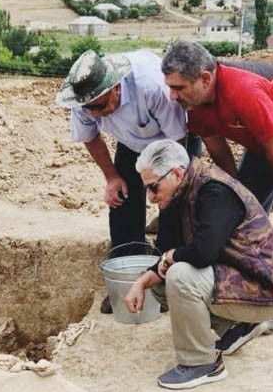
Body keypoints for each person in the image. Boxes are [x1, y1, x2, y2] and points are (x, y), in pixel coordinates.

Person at [159, 40, 273, 339]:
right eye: (170, 87)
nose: (172, 96)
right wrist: (234, 191)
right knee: (240, 212)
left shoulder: (243, 89)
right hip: (263, 141)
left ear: (205, 78)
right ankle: (248, 286)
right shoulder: (196, 104)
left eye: (178, 88)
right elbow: (217, 147)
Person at [122, 139, 273, 390]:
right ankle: (235, 327)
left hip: (265, 289)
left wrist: (170, 260)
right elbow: (167, 252)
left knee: (180, 276)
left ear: (177, 173)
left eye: (153, 187)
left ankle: (201, 363)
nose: (150, 197)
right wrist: (142, 281)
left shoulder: (215, 190)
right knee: (162, 280)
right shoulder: (176, 194)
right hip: (239, 278)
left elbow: (203, 253)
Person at [56, 48, 190, 313]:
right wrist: (111, 177)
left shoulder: (152, 87)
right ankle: (125, 282)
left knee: (175, 206)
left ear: (116, 87)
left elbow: (178, 138)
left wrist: (166, 186)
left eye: (99, 107)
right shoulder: (86, 98)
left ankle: (164, 283)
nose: (93, 114)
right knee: (122, 200)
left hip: (172, 140)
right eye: (88, 108)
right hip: (131, 142)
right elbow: (90, 136)